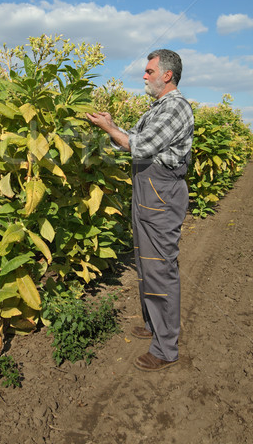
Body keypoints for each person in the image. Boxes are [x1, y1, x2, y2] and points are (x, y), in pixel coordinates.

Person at [86, 49, 194, 371]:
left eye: (149, 71)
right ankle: (152, 324)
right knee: (144, 261)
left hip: (161, 193)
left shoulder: (176, 107)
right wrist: (111, 125)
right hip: (147, 191)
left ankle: (164, 349)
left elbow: (140, 147)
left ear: (167, 75)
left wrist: (110, 130)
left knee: (159, 266)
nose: (144, 76)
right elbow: (133, 137)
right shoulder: (157, 108)